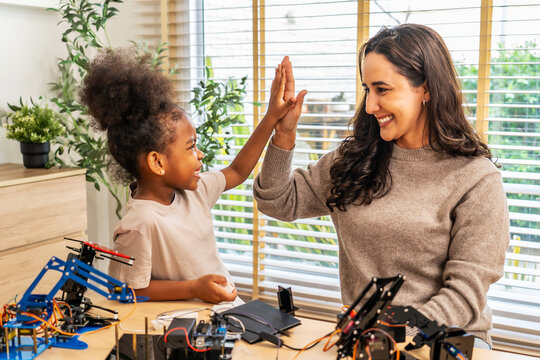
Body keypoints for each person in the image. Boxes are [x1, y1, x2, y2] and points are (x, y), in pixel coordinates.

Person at [253, 23, 509, 345]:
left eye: (382, 89)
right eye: (366, 90)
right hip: (369, 342)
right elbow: (276, 200)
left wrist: (391, 336)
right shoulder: (355, 160)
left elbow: (464, 295)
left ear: (426, 89)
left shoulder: (475, 178)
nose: (371, 105)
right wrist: (284, 135)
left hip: (444, 341)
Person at [80, 48, 306, 303]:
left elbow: (237, 171)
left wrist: (271, 118)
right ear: (157, 162)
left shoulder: (195, 191)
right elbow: (125, 290)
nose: (199, 155)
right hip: (193, 327)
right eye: (190, 147)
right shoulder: (140, 223)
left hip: (229, 311)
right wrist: (193, 289)